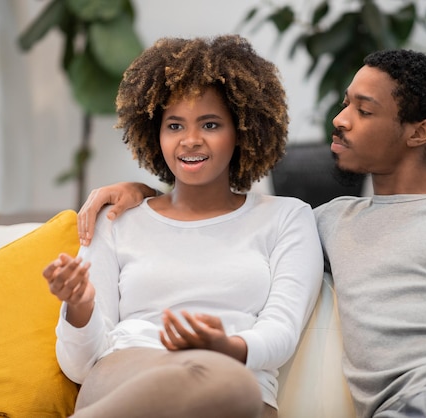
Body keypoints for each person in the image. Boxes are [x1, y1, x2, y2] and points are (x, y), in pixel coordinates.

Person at [77, 48, 426, 418]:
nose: (340, 119)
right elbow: (212, 222)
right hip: (403, 408)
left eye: (364, 110)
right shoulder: (331, 221)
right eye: (345, 102)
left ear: (419, 133)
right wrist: (144, 191)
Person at [42, 34, 324, 418]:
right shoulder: (116, 219)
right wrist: (80, 306)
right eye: (174, 126)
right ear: (154, 133)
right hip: (126, 373)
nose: (190, 141)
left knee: (232, 385)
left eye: (209, 124)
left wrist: (226, 348)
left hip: (231, 386)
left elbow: (282, 331)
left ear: (242, 131)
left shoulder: (287, 217)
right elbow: (79, 366)